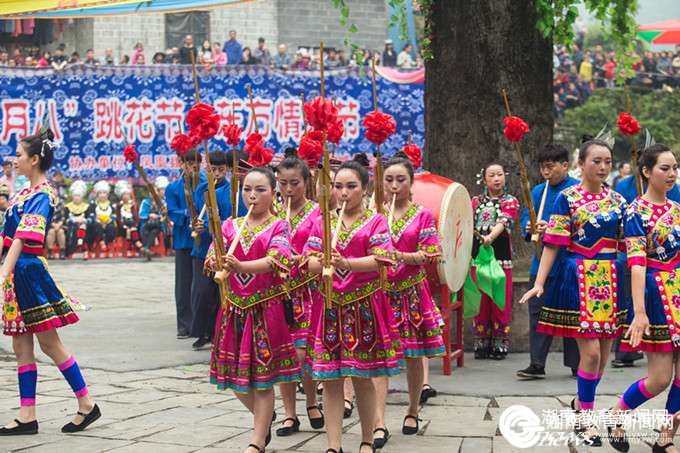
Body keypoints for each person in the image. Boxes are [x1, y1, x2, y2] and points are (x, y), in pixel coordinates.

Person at [519, 139, 628, 446]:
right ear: (582, 164)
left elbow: (626, 243)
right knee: (590, 353)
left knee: (602, 357)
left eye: (607, 161)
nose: (604, 167)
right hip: (578, 277)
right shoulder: (567, 198)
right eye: (597, 161)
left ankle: (582, 403)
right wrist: (539, 282)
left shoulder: (619, 201)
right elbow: (553, 242)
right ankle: (586, 420)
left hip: (610, 279)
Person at [0, 129, 101, 436]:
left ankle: (87, 403)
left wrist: (5, 269)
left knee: (49, 342)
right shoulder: (22, 192)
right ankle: (27, 414)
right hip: (16, 272)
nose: (14, 159)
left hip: (27, 272)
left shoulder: (42, 194)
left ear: (34, 159)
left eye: (19, 154)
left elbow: (25, 237)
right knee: (21, 345)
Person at [304, 158, 401, 453]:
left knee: (361, 377)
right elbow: (307, 262)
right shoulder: (324, 222)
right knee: (331, 379)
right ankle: (334, 445)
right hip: (330, 307)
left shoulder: (376, 221)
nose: (344, 193)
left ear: (365, 188)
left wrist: (346, 262)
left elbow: (384, 258)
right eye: (338, 186)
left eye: (351, 186)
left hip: (364, 307)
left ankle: (367, 440)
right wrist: (319, 262)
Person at [208, 166, 301, 453]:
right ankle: (265, 416)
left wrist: (240, 266)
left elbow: (277, 260)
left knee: (262, 381)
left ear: (273, 193)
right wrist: (214, 261)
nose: (252, 195)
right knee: (235, 380)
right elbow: (214, 252)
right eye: (247, 189)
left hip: (265, 311)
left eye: (260, 190)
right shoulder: (229, 225)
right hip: (233, 311)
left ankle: (257, 441)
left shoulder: (279, 226)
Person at [605, 144, 680, 453]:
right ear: (647, 172)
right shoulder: (635, 211)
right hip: (654, 293)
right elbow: (637, 264)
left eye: (675, 167)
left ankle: (666, 436)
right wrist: (639, 312)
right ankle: (616, 415)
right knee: (661, 378)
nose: (672, 174)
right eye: (665, 168)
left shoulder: (677, 210)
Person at [373, 154, 445, 448]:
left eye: (400, 179)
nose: (393, 185)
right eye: (388, 179)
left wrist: (401, 256)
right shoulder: (375, 214)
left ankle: (413, 409)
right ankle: (377, 421)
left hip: (412, 293)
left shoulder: (422, 215)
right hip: (380, 294)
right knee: (378, 358)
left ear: (411, 182)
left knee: (414, 357)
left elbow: (432, 253)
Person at [517, 144, 580, 379]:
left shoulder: (576, 190)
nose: (546, 171)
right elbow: (527, 217)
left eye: (551, 166)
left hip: (569, 262)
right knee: (537, 313)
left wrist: (553, 229)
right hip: (541, 262)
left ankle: (577, 364)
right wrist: (530, 228)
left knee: (572, 315)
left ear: (565, 166)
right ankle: (536, 363)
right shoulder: (537, 192)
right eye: (543, 167)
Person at [274, 154, 324, 437]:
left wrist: (301, 259)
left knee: (302, 352)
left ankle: (312, 401)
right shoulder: (273, 212)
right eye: (283, 183)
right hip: (279, 292)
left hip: (307, 290)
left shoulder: (318, 212)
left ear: (307, 182)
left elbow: (321, 247)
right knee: (284, 353)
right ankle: (289, 413)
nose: (289, 189)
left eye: (295, 183)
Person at [470, 163, 519, 359]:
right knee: (481, 299)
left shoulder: (510, 201)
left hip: (500, 257)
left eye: (500, 174)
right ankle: (481, 340)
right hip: (479, 257)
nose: (497, 178)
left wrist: (490, 237)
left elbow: (504, 222)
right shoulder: (475, 201)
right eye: (492, 175)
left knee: (500, 299)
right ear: (484, 178)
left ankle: (500, 342)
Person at [190, 150, 236, 349]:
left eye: (220, 170)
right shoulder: (201, 189)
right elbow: (198, 217)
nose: (216, 174)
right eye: (213, 170)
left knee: (219, 295)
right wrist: (198, 227)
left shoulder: (231, 191)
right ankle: (203, 332)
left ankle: (218, 333)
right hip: (203, 249)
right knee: (202, 293)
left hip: (221, 247)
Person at [167, 150, 204, 339]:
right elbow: (172, 212)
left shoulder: (207, 185)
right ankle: (184, 325)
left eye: (196, 163)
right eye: (188, 163)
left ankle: (201, 325)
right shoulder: (173, 188)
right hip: (184, 241)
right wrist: (189, 214)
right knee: (183, 285)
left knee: (202, 286)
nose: (192, 167)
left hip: (204, 242)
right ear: (181, 163)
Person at [138, 177, 169, 260]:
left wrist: (158, 216)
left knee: (155, 230)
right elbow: (141, 214)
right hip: (147, 223)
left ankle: (146, 248)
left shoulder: (163, 202)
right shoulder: (145, 202)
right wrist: (149, 215)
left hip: (159, 224)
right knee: (145, 229)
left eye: (155, 192)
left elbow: (166, 214)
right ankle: (147, 249)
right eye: (151, 192)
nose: (153, 194)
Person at [64, 181, 90, 257]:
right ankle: (71, 250)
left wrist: (84, 221)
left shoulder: (87, 207)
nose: (77, 198)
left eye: (78, 196)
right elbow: (66, 219)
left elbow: (90, 218)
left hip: (84, 226)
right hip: (71, 226)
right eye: (75, 196)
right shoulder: (67, 207)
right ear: (72, 197)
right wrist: (74, 220)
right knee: (74, 229)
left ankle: (85, 250)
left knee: (85, 228)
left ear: (81, 197)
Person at [114, 180, 141, 251]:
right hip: (122, 226)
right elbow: (118, 218)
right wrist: (123, 225)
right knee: (128, 230)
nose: (126, 196)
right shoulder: (119, 206)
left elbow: (137, 217)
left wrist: (135, 224)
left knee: (133, 229)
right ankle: (136, 245)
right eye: (124, 194)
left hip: (133, 224)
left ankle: (134, 246)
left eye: (127, 194)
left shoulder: (134, 205)